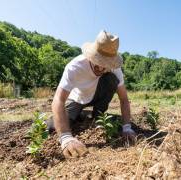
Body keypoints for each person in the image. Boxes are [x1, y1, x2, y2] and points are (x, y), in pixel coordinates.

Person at [50, 30, 136, 158]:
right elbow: (58, 99)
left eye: (105, 64)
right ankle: (81, 114)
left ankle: (97, 116)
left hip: (97, 96)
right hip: (77, 98)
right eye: (98, 62)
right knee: (53, 126)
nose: (101, 68)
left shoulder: (114, 68)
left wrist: (127, 127)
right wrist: (66, 137)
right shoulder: (75, 66)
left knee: (111, 79)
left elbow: (124, 99)